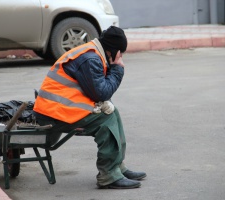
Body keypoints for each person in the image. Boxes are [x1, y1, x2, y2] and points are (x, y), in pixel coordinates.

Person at [33, 26, 146, 189]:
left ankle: (117, 167)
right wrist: (117, 70)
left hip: (61, 108)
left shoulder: (94, 52)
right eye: (120, 52)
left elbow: (97, 91)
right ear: (113, 51)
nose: (121, 56)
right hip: (53, 114)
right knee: (105, 121)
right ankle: (108, 176)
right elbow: (102, 93)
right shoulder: (91, 59)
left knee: (113, 112)